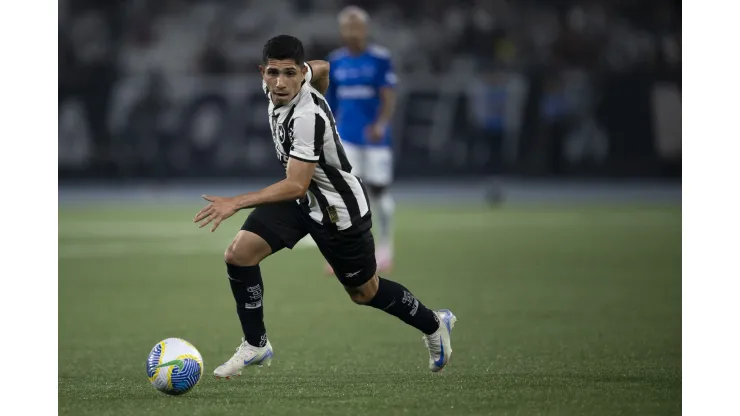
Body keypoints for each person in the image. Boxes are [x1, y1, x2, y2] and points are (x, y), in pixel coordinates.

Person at [193, 35, 456, 378]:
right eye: (273, 72)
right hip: (303, 202)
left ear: (300, 73)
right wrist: (311, 72)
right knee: (239, 254)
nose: (280, 82)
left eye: (290, 73)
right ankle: (256, 345)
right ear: (263, 72)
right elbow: (324, 67)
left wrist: (236, 203)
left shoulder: (306, 117)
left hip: (338, 210)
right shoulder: (279, 85)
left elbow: (295, 183)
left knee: (365, 292)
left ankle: (435, 323)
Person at [325, 6, 397, 273]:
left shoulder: (380, 59)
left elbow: (389, 96)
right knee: (342, 195)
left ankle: (386, 247)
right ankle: (343, 253)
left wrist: (380, 124)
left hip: (375, 138)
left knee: (379, 192)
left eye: (357, 26)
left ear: (365, 29)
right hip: (347, 139)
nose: (352, 32)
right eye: (347, 27)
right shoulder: (336, 60)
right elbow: (330, 103)